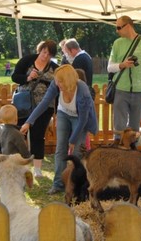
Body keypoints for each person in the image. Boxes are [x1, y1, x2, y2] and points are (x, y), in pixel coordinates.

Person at [20, 64, 97, 195]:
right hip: (63, 114)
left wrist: (72, 140)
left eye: (60, 81)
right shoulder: (56, 84)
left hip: (80, 119)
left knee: (78, 152)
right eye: (56, 80)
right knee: (60, 149)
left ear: (67, 80)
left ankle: (77, 186)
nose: (56, 83)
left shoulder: (83, 90)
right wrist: (29, 122)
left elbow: (84, 119)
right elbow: (44, 103)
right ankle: (58, 184)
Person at [11, 40, 58, 178]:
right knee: (21, 134)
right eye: (44, 52)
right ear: (40, 50)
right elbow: (15, 77)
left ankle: (37, 168)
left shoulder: (55, 68)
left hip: (44, 107)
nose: (45, 56)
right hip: (25, 103)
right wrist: (28, 77)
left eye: (49, 54)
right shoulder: (27, 60)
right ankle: (20, 165)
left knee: (38, 135)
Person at [107, 15, 141, 143]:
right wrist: (122, 65)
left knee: (134, 128)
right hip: (121, 90)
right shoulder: (117, 43)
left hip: (139, 91)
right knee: (119, 127)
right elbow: (109, 67)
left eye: (118, 27)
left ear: (128, 26)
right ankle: (117, 153)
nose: (116, 31)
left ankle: (132, 156)